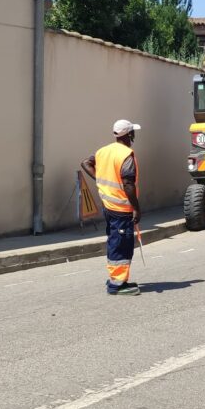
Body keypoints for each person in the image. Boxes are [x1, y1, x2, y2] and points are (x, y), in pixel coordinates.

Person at [81, 120, 142, 296]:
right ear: (129, 134)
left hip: (108, 206)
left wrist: (99, 180)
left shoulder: (103, 151)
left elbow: (85, 162)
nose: (134, 135)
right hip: (121, 208)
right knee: (121, 244)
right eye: (133, 132)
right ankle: (117, 285)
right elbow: (128, 183)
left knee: (115, 241)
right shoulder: (126, 155)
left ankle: (117, 278)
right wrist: (136, 208)